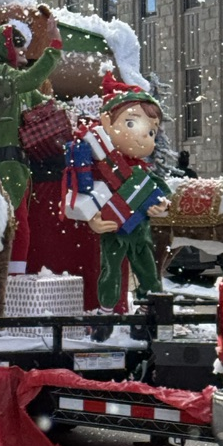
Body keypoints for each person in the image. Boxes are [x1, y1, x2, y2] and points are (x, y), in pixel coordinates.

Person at [64, 74, 171, 340]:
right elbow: (82, 195)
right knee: (111, 269)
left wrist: (162, 205)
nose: (143, 137)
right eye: (132, 123)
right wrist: (93, 220)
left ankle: (149, 309)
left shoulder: (143, 172)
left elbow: (162, 194)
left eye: (151, 131)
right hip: (115, 226)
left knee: (147, 267)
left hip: (140, 228)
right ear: (106, 123)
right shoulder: (99, 164)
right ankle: (106, 312)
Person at [0, 12, 62, 275]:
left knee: (18, 224)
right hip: (2, 164)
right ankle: (3, 282)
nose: (24, 49)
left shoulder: (13, 82)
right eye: (17, 44)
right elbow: (32, 79)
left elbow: (42, 101)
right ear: (3, 48)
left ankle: (9, 281)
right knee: (10, 224)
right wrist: (54, 46)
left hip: (16, 165)